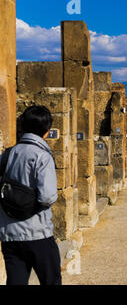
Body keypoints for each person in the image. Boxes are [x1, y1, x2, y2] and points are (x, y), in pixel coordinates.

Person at [0, 106, 61, 285]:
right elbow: (47, 197)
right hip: (37, 232)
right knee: (51, 281)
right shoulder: (42, 156)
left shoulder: (6, 155)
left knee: (16, 281)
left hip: (10, 233)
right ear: (47, 131)